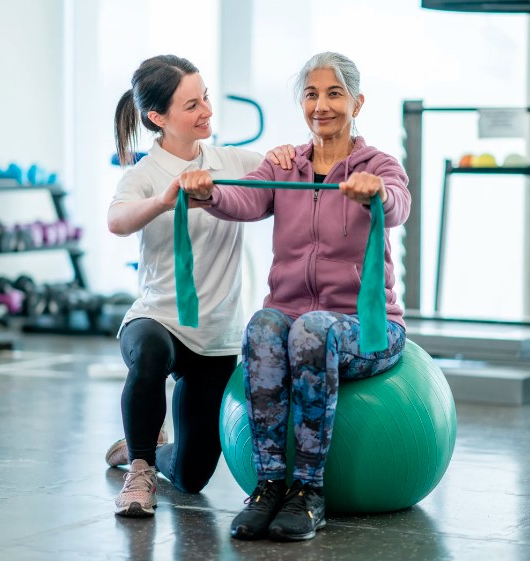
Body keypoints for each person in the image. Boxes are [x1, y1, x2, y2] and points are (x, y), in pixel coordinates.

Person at [179, 52, 411, 541]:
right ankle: (268, 487)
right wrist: (207, 191)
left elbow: (398, 205)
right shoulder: (285, 165)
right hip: (293, 320)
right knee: (265, 324)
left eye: (334, 93)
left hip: (367, 328)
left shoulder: (378, 165)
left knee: (310, 330)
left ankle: (308, 492)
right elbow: (244, 198)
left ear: (357, 102)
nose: (321, 105)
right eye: (311, 94)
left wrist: (376, 193)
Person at [106, 54, 289, 518]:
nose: (206, 110)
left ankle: (139, 447)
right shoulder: (144, 175)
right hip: (159, 319)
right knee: (148, 354)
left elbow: (285, 173)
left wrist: (289, 156)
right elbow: (117, 220)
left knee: (191, 478)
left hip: (214, 337)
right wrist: (164, 201)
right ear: (158, 117)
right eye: (192, 105)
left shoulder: (233, 162)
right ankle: (140, 469)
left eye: (205, 96)